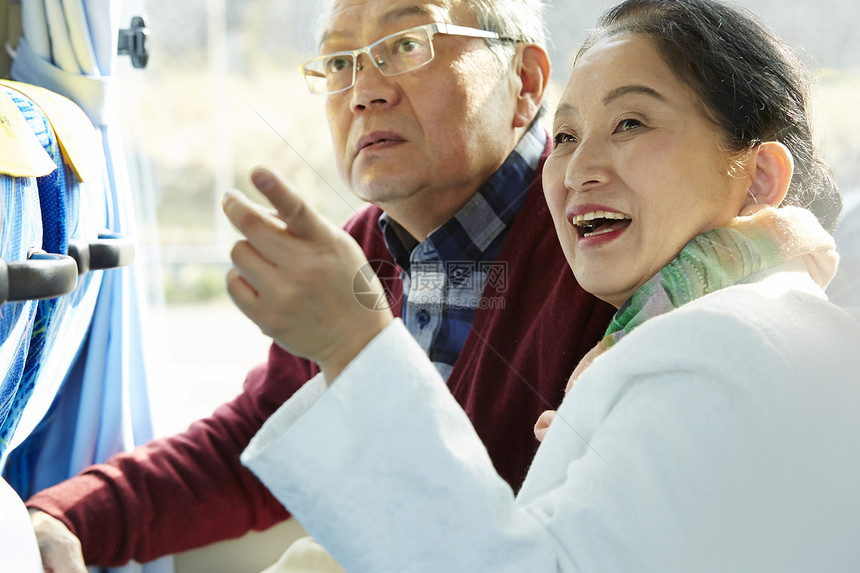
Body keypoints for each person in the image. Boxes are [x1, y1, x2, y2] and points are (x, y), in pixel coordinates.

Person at [225, 0, 860, 570]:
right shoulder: (732, 325)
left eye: (631, 123)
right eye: (565, 137)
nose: (577, 170)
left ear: (756, 178)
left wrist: (355, 345)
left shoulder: (714, 353)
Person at [24, 0, 616, 570]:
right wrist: (64, 517)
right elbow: (254, 438)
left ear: (526, 80)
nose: (365, 91)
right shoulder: (360, 248)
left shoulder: (604, 231)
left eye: (407, 44)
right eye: (339, 62)